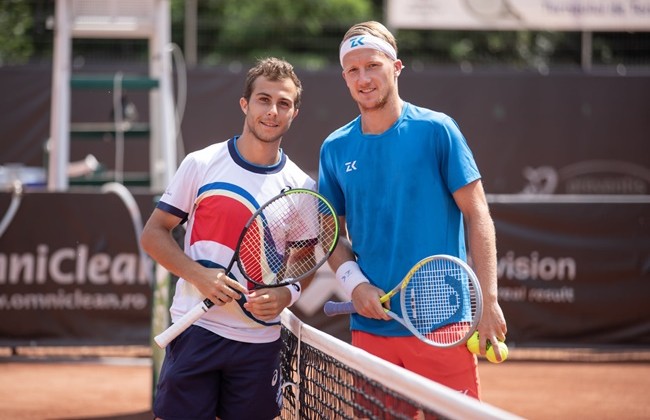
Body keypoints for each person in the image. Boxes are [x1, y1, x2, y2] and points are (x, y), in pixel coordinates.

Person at [318, 21, 508, 400]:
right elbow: (330, 232)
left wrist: (487, 300)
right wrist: (356, 286)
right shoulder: (335, 148)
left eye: (373, 65)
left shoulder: (438, 131)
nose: (364, 78)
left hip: (444, 326)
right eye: (353, 70)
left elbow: (478, 215)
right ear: (344, 77)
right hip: (372, 331)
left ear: (396, 67)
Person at [141, 57, 312, 420]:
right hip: (195, 330)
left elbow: (306, 261)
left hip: (259, 343)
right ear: (245, 104)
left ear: (294, 113)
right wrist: (197, 274)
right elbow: (154, 234)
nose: (272, 111)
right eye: (264, 99)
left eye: (284, 103)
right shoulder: (201, 164)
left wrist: (288, 293)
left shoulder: (301, 188)